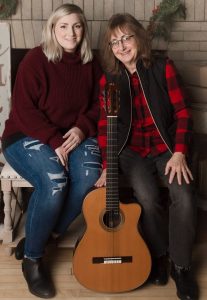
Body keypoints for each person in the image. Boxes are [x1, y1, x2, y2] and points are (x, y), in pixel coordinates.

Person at [1, 3, 102, 298]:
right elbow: (23, 110)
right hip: (25, 134)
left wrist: (83, 127)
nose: (71, 33)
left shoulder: (91, 64)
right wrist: (53, 140)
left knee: (88, 175)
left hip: (74, 134)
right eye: (63, 26)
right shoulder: (35, 60)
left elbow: (99, 105)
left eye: (77, 26)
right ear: (52, 29)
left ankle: (46, 235)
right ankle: (33, 259)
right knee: (55, 180)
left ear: (84, 30)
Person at [95, 13, 198, 300]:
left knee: (184, 196)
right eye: (115, 42)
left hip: (166, 147)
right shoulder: (109, 80)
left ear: (139, 37)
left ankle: (181, 266)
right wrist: (107, 166)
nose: (122, 45)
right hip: (131, 152)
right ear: (110, 48)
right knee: (147, 197)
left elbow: (182, 113)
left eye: (127, 37)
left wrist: (179, 153)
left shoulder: (163, 67)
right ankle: (159, 254)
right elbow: (105, 126)